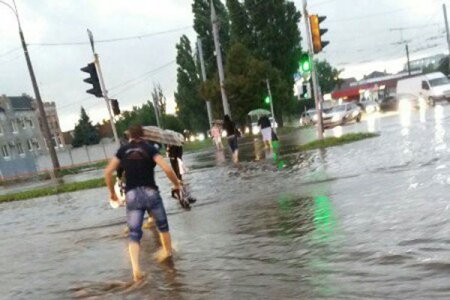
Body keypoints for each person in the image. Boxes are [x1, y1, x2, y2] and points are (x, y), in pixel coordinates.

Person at [104, 124, 182, 282]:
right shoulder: (150, 148)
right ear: (143, 134)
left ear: (129, 135)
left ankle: (136, 271)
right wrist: (176, 184)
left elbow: (107, 172)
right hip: (151, 193)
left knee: (134, 234)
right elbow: (167, 169)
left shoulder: (123, 150)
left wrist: (112, 193)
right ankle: (167, 253)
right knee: (162, 226)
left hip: (132, 195)